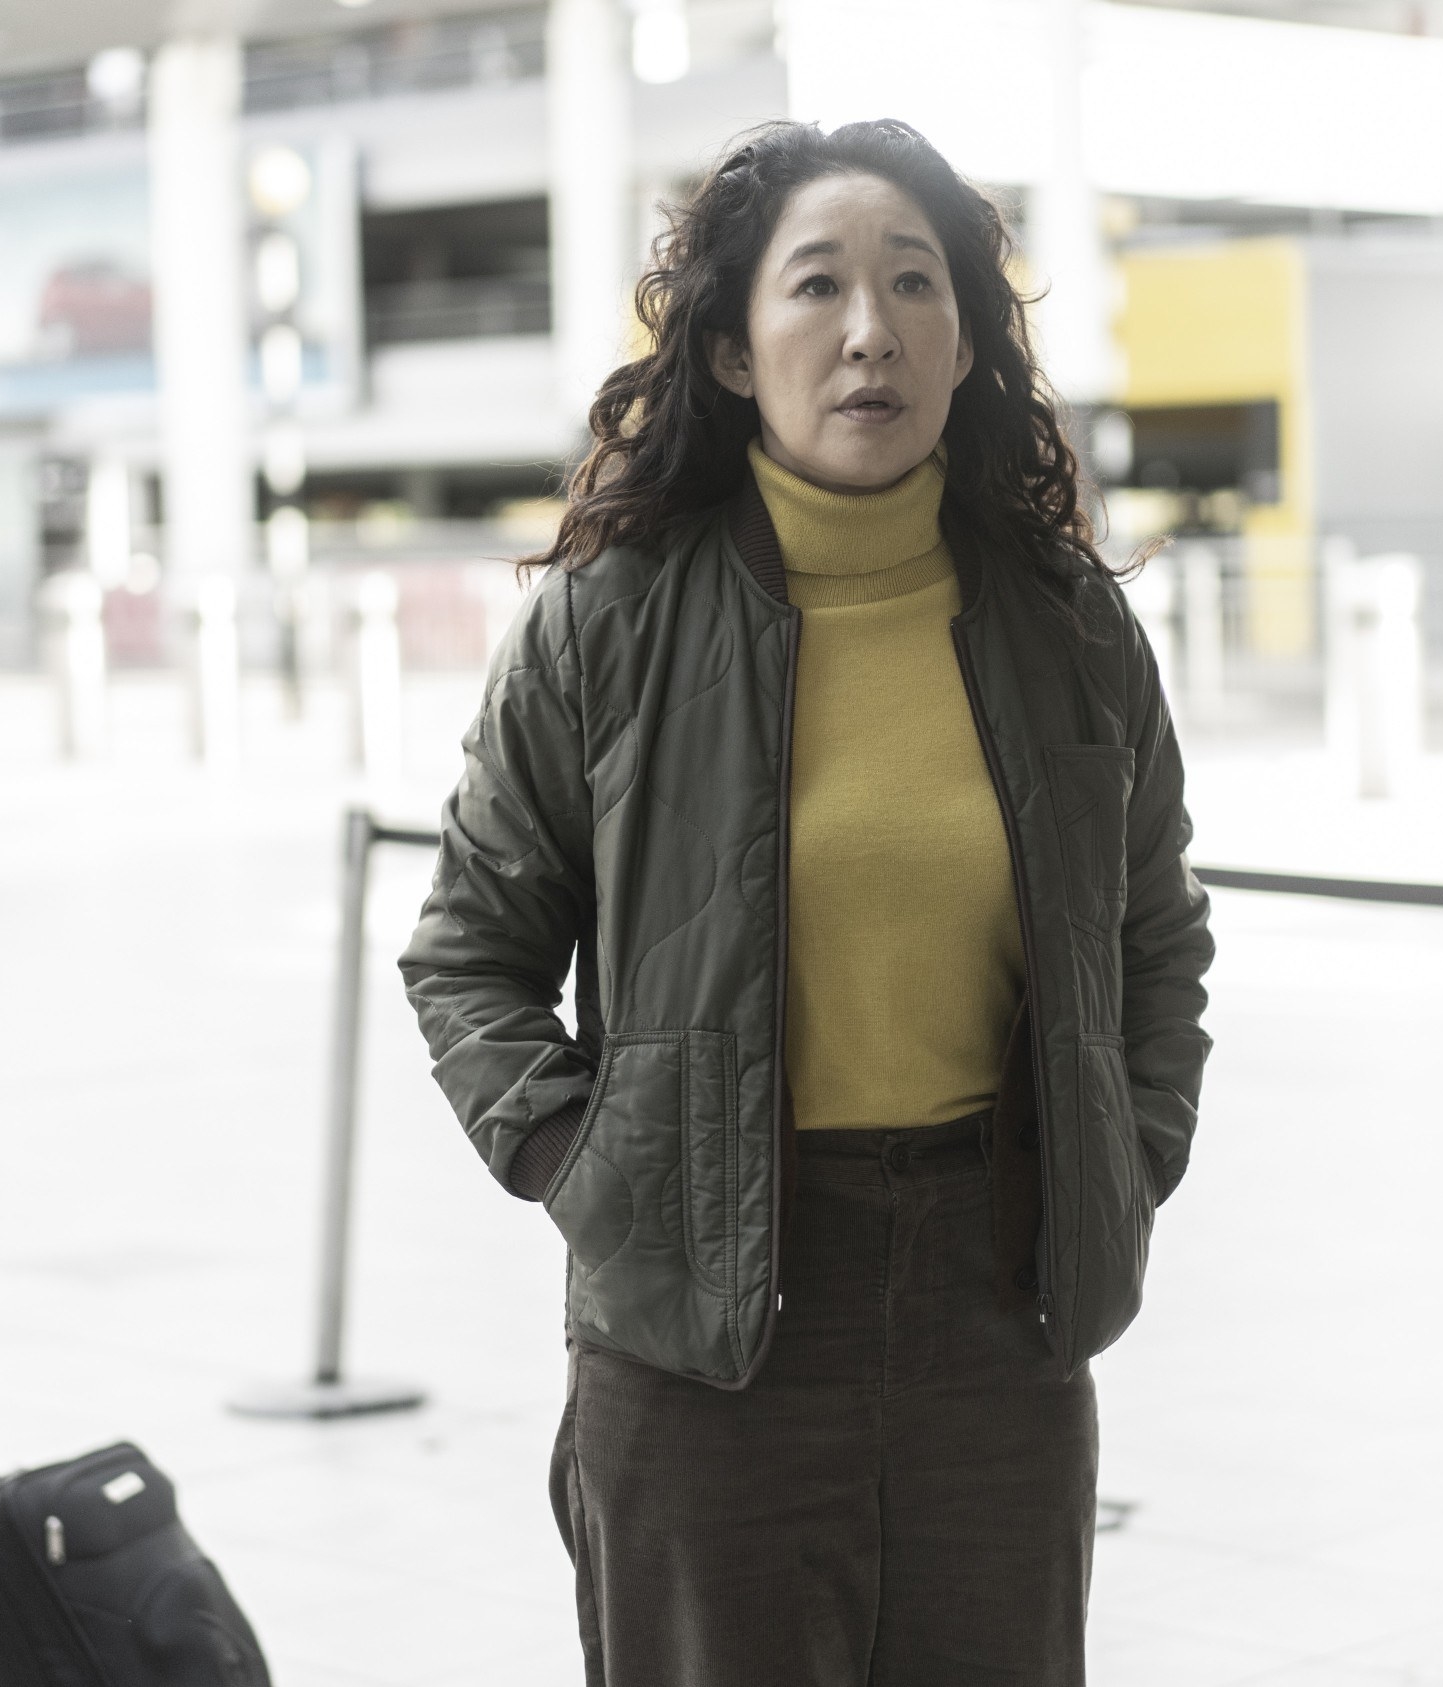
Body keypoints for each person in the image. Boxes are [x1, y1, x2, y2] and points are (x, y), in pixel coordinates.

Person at [399, 119, 1214, 1686]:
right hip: (705, 1326)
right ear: (725, 344)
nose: (870, 330)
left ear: (966, 338)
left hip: (1002, 1299)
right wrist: (600, 1169)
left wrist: (1130, 1142)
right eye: (818, 286)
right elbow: (470, 950)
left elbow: (1155, 930)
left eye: (916, 283)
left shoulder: (1065, 624)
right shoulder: (607, 620)